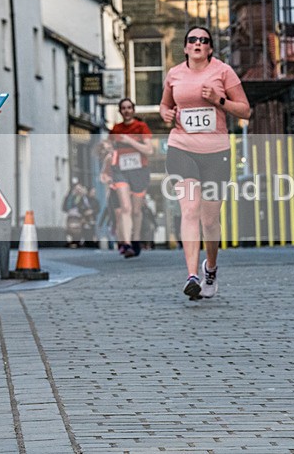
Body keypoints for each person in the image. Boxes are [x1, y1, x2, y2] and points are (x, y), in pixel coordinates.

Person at [160, 25, 250, 301]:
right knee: (189, 209)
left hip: (216, 153)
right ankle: (191, 276)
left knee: (210, 220)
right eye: (192, 40)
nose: (198, 43)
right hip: (181, 149)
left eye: (204, 40)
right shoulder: (174, 74)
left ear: (210, 48)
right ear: (186, 47)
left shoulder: (223, 71)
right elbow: (164, 105)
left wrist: (219, 100)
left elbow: (245, 109)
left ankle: (210, 268)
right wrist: (165, 114)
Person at [104, 98, 153, 258]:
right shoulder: (115, 129)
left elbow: (149, 150)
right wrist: (107, 152)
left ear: (133, 110)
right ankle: (127, 243)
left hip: (139, 171)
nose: (126, 110)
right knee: (125, 208)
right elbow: (110, 150)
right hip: (121, 171)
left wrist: (129, 140)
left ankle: (136, 240)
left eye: (129, 108)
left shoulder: (141, 127)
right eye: (123, 108)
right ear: (120, 111)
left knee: (136, 210)